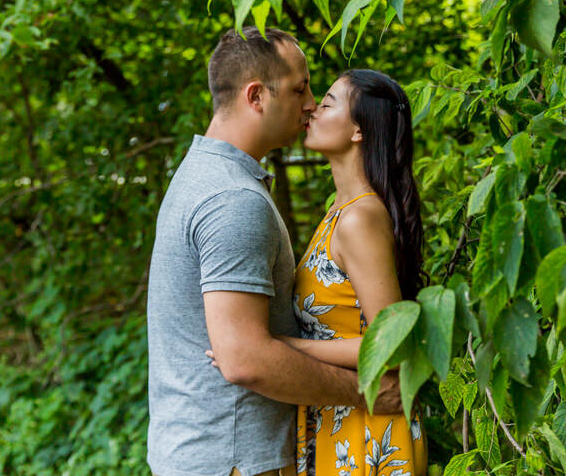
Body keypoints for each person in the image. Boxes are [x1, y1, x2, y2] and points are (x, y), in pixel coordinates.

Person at [146, 28, 400, 476]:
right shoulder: (232, 200)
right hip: (232, 458)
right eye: (300, 88)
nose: (310, 103)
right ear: (256, 96)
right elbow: (245, 358)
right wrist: (365, 394)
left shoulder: (204, 175)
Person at [209, 69, 428, 475]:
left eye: (326, 103)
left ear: (359, 131)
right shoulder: (338, 212)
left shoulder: (360, 218)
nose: (310, 109)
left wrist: (280, 346)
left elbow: (392, 346)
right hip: (338, 420)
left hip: (368, 433)